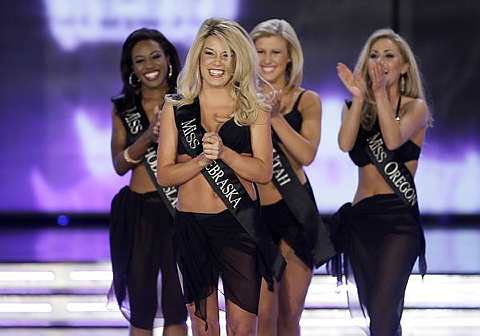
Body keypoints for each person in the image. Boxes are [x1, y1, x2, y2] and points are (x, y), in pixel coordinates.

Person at [156, 18, 285, 336]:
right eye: (210, 53)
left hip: (238, 225)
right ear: (198, 57)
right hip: (192, 225)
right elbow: (165, 174)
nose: (218, 63)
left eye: (226, 55)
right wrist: (202, 160)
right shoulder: (177, 108)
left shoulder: (253, 108)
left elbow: (263, 172)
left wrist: (225, 153)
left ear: (238, 60)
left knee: (242, 329)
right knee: (204, 329)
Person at [333, 28, 431, 335]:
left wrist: (379, 93)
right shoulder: (354, 107)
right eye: (374, 55)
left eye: (389, 55)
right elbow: (345, 144)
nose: (381, 61)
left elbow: (391, 139)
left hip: (398, 220)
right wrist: (361, 97)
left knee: (384, 313)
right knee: (378, 313)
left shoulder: (416, 107)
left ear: (404, 66)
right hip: (362, 220)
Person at [250, 19, 335, 336]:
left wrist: (273, 117)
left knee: (288, 319)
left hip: (295, 211)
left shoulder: (307, 100)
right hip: (254, 213)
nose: (267, 59)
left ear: (289, 57)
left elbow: (307, 154)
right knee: (261, 316)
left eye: (275, 52)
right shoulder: (238, 100)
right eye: (260, 51)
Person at [109, 28, 187, 336]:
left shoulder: (188, 101)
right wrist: (148, 136)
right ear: (132, 69)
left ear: (168, 58)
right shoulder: (122, 108)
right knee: (140, 309)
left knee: (176, 306)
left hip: (180, 211)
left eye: (155, 56)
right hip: (138, 213)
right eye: (139, 60)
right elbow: (118, 165)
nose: (149, 65)